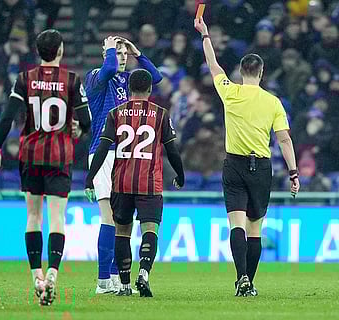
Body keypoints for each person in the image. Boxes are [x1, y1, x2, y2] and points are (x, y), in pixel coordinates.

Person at [194, 17, 300, 297]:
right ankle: (248, 282)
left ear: (241, 72)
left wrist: (205, 35)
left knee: (236, 224)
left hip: (234, 165)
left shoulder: (230, 92)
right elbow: (284, 139)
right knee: (255, 229)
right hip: (261, 168)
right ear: (262, 73)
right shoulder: (273, 102)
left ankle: (241, 277)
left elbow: (213, 65)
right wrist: (293, 172)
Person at [0, 29, 91, 306]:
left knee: (33, 217)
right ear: (60, 51)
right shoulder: (71, 80)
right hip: (59, 157)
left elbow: (8, 116)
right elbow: (87, 121)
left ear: (38, 52)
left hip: (30, 156)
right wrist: (78, 129)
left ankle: (37, 275)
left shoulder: (25, 79)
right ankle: (53, 275)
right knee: (57, 219)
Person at [85, 69, 185, 297]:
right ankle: (144, 273)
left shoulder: (115, 113)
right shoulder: (161, 114)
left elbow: (102, 148)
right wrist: (180, 174)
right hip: (149, 182)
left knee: (122, 232)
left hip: (121, 182)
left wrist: (90, 178)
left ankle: (124, 283)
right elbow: (172, 150)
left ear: (129, 88)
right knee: (150, 229)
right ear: (150, 89)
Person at [85, 36, 162, 294]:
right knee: (109, 217)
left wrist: (138, 53)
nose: (121, 57)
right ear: (105, 53)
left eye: (123, 53)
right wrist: (109, 50)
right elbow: (107, 68)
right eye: (116, 53)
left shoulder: (125, 80)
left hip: (125, 154)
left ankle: (117, 278)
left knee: (121, 220)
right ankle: (103, 280)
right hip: (104, 152)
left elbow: (155, 78)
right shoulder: (96, 76)